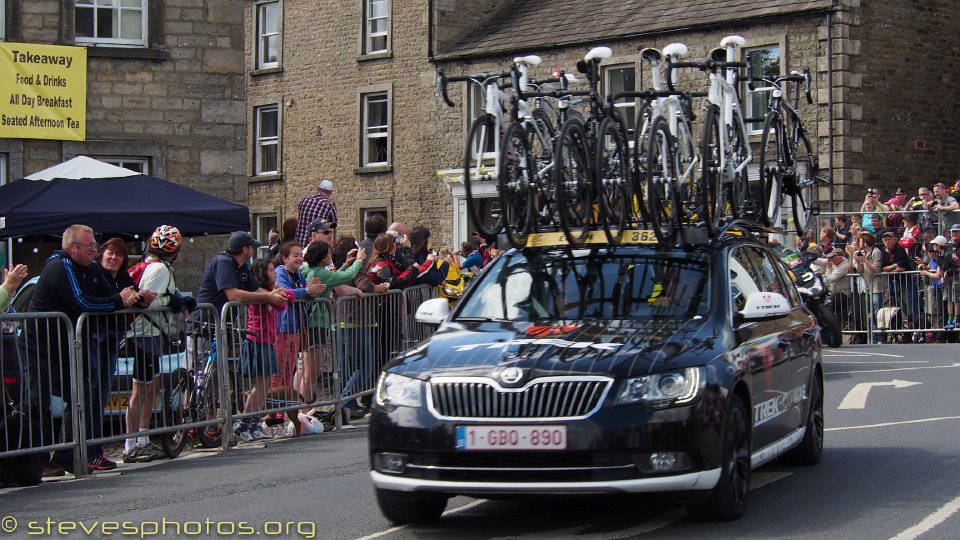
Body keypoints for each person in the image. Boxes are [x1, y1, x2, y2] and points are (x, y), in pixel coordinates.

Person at [22, 225, 140, 475]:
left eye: (95, 246)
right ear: (72, 247)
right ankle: (36, 462)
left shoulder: (90, 268)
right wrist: (119, 300)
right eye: (90, 247)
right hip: (39, 346)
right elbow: (83, 301)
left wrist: (132, 297)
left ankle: (67, 455)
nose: (94, 250)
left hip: (63, 347)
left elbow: (109, 294)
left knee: (82, 394)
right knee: (37, 402)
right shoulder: (59, 265)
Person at [123, 226, 191, 464]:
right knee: (140, 390)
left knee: (149, 388)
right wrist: (172, 300)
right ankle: (132, 444)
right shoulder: (160, 269)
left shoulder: (154, 266)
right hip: (144, 333)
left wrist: (175, 299)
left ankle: (141, 439)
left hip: (149, 333)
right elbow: (145, 301)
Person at [84, 238, 135, 471]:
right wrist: (119, 300)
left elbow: (131, 298)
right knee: (89, 399)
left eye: (118, 255)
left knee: (100, 397)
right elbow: (91, 302)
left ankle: (93, 452)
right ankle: (85, 453)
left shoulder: (123, 278)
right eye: (109, 253)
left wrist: (140, 299)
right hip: (91, 343)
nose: (113, 258)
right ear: (101, 254)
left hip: (110, 344)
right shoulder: (94, 273)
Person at [300, 240, 369, 406]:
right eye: (329, 254)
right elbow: (345, 277)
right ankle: (303, 410)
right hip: (316, 323)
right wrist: (359, 260)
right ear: (323, 257)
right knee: (311, 372)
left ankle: (305, 409)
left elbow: (335, 278)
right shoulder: (319, 272)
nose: (331, 256)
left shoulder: (311, 269)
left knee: (310, 371)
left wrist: (345, 264)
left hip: (315, 323)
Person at [235, 258, 293, 442]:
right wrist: (276, 293)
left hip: (268, 340)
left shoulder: (270, 292)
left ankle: (254, 422)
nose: (274, 273)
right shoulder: (259, 293)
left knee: (266, 384)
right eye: (270, 270)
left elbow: (283, 302)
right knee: (260, 385)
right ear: (261, 273)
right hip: (257, 339)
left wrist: (278, 291)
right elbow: (281, 301)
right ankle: (244, 423)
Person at [273, 241, 325, 389]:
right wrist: (308, 291)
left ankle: (286, 404)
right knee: (279, 370)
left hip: (296, 327)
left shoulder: (297, 273)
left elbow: (306, 293)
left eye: (301, 255)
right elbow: (285, 293)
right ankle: (275, 408)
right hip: (282, 327)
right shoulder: (280, 272)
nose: (300, 258)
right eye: (295, 255)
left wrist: (313, 292)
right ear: (285, 258)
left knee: (290, 370)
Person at [296, 179, 337, 246]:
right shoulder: (329, 205)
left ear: (318, 189)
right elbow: (333, 224)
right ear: (331, 192)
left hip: (299, 244)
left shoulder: (304, 200)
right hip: (315, 247)